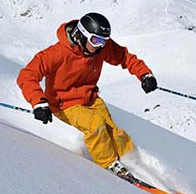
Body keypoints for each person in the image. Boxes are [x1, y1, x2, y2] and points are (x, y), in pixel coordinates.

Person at [17, 12, 157, 180]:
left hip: (90, 98)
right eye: (96, 41)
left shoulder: (100, 49)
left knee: (113, 130)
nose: (100, 46)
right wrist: (39, 103)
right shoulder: (56, 53)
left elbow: (124, 57)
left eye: (104, 42)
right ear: (81, 36)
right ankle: (109, 165)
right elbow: (27, 75)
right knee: (95, 125)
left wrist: (145, 75)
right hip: (64, 104)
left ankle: (133, 161)